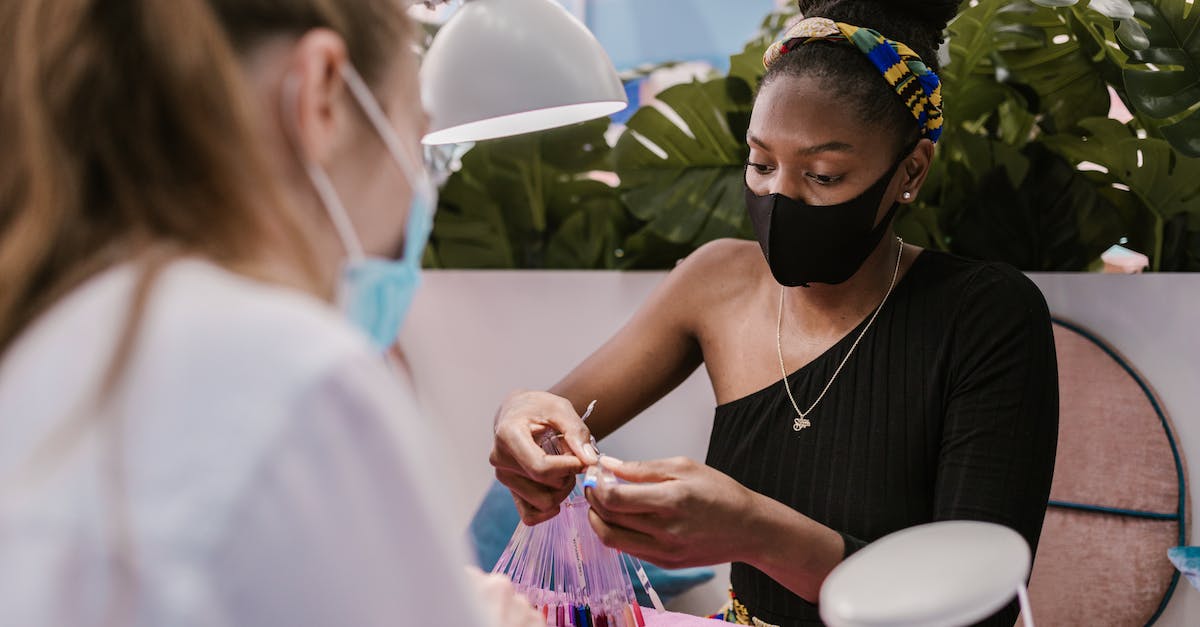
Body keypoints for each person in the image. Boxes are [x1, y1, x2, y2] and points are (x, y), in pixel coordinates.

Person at [489, 1, 1059, 625]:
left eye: (823, 175)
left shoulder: (984, 316)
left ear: (911, 171)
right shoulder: (716, 281)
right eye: (761, 164)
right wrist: (520, 419)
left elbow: (979, 609)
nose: (779, 196)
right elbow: (553, 421)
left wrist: (755, 530)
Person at [0, 1, 540, 626]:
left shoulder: (46, 345)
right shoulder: (295, 381)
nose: (418, 186)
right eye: (417, 135)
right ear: (322, 94)